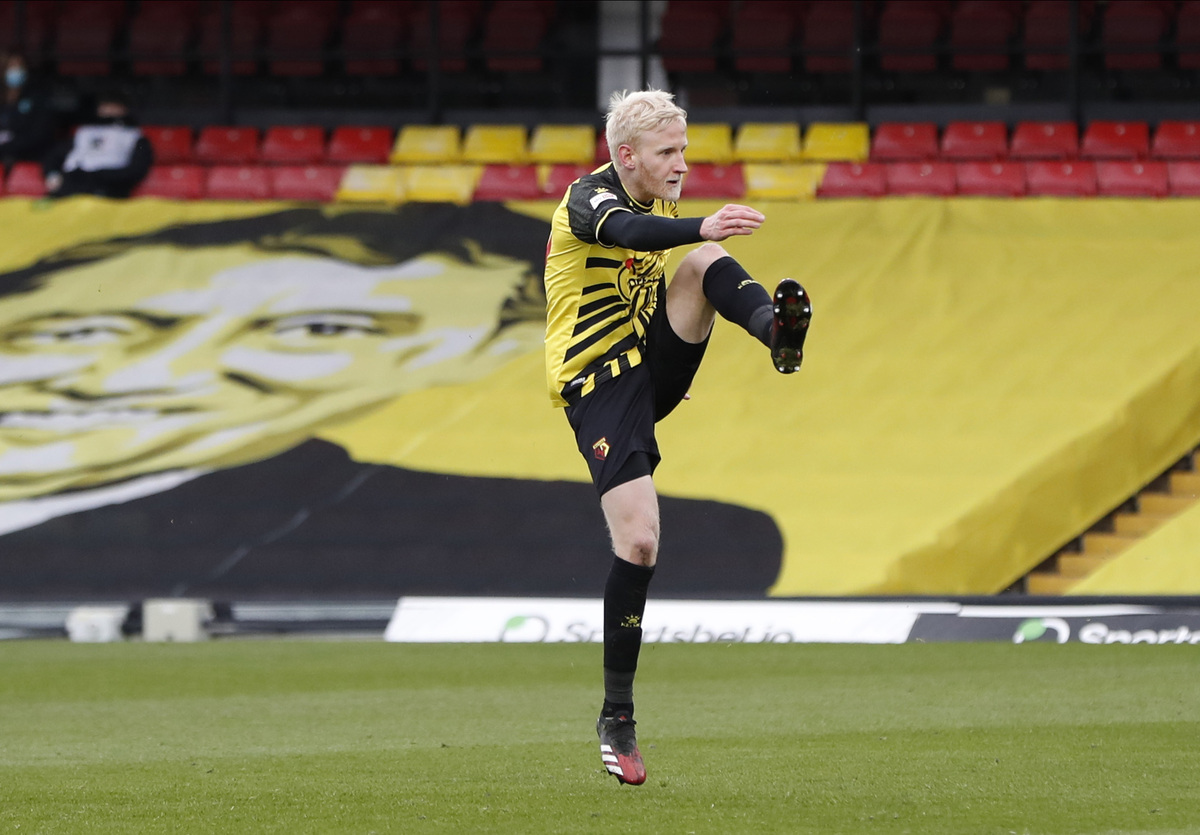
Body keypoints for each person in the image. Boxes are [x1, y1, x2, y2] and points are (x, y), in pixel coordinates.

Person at [0, 203, 786, 600]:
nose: (161, 368)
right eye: (90, 327)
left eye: (317, 329)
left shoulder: (490, 528)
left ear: (461, 361)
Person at [543, 89, 812, 786]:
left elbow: (657, 277)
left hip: (648, 365)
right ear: (626, 156)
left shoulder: (658, 199)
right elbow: (631, 237)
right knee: (639, 541)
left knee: (701, 263)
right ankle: (617, 717)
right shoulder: (588, 201)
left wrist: (670, 361)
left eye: (684, 150)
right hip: (599, 385)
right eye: (668, 152)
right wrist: (702, 223)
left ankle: (778, 336)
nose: (682, 164)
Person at [42, 90, 153, 198]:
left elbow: (136, 170)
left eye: (114, 106)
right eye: (105, 105)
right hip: (71, 186)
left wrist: (100, 177)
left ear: (124, 109)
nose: (108, 109)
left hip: (107, 190)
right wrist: (53, 175)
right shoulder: (84, 132)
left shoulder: (133, 135)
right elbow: (53, 156)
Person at [0, 51, 56, 172]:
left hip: (26, 157)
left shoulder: (37, 99)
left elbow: (38, 135)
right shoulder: (3, 100)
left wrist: (8, 146)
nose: (16, 70)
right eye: (12, 66)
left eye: (20, 66)